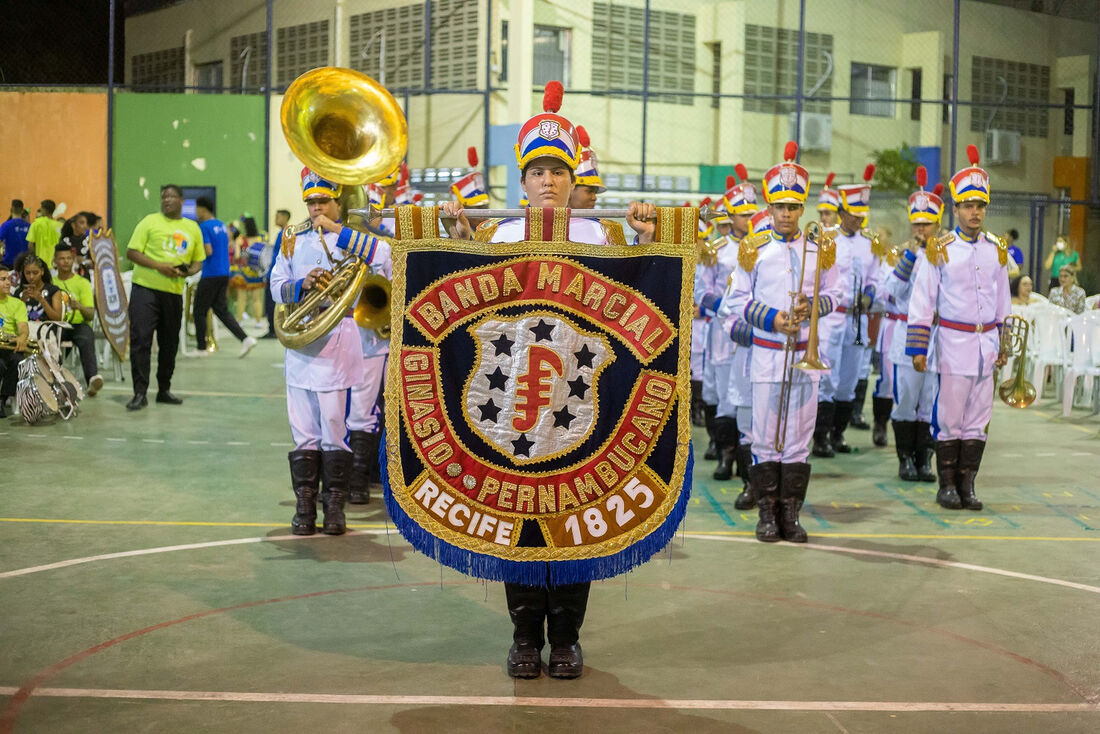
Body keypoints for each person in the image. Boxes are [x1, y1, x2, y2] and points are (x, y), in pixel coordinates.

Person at [440, 81, 657, 682]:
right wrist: (455, 236)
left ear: (570, 177)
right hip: (510, 409)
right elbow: (453, 299)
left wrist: (648, 237)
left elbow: (650, 291)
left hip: (583, 404)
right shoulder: (498, 237)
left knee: (573, 516)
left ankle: (565, 637)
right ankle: (522, 637)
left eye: (558, 170)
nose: (548, 182)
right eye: (537, 170)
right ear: (522, 178)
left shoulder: (603, 237)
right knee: (521, 524)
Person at [726, 141, 839, 543]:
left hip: (805, 359)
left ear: (802, 208)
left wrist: (814, 307)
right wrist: (774, 319)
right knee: (765, 437)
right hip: (768, 357)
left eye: (793, 207)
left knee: (798, 440)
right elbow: (735, 301)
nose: (787, 214)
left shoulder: (819, 249)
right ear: (769, 208)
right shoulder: (752, 251)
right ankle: (767, 515)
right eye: (780, 206)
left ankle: (791, 515)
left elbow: (836, 295)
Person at [270, 168, 385, 536]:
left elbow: (387, 259)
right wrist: (299, 286)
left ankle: (334, 507)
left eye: (323, 201)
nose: (316, 208)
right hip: (302, 346)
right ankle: (305, 508)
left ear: (338, 201)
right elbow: (275, 283)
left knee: (334, 428)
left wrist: (338, 231)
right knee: (303, 430)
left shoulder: (352, 237)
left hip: (337, 343)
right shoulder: (293, 237)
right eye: (311, 202)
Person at [907, 144, 1010, 511]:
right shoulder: (939, 248)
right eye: (968, 205)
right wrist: (918, 347)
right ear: (956, 208)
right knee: (950, 417)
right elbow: (922, 301)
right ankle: (946, 484)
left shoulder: (997, 249)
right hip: (952, 342)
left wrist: (1004, 345)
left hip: (986, 346)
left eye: (980, 205)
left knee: (979, 419)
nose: (975, 212)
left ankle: (968, 485)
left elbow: (1003, 304)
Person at [696, 166, 757, 481]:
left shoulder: (761, 247)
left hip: (753, 330)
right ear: (730, 216)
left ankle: (747, 463)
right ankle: (724, 456)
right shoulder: (716, 250)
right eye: (742, 214)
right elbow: (700, 288)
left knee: (746, 393)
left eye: (751, 213)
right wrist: (723, 310)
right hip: (723, 331)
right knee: (721, 393)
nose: (747, 219)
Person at [882, 171, 944, 483]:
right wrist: (910, 255)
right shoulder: (900, 254)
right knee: (905, 400)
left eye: (927, 224)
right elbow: (891, 290)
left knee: (930, 402)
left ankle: (925, 460)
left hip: (937, 338)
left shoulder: (946, 253)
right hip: (908, 336)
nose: (921, 229)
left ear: (937, 225)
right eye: (917, 224)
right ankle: (905, 459)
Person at [814, 165, 879, 457]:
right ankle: (820, 437)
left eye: (862, 214)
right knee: (827, 376)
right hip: (831, 317)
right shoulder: (826, 240)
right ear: (843, 212)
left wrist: (868, 296)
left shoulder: (870, 244)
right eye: (855, 214)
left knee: (850, 380)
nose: (859, 219)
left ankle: (838, 433)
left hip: (857, 319)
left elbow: (876, 278)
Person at [124, 184, 206, 411]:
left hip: (173, 292)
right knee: (141, 340)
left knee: (170, 343)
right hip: (145, 289)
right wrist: (159, 266)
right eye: (163, 197)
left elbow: (198, 260)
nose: (167, 200)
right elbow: (132, 252)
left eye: (171, 197)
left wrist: (188, 271)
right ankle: (140, 393)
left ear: (181, 200)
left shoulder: (192, 228)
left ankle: (164, 390)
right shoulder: (149, 222)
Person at [193, 198, 257, 357]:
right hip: (224, 272)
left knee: (199, 310)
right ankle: (245, 338)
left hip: (210, 273)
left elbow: (208, 251)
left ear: (202, 209)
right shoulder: (222, 225)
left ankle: (201, 348)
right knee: (221, 310)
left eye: (197, 209)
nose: (196, 212)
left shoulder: (204, 227)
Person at [53, 244, 103, 396]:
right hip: (56, 324)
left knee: (86, 337)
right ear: (55, 261)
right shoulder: (51, 283)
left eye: (69, 258)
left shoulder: (83, 283)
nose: (66, 262)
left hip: (78, 325)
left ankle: (92, 379)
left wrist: (79, 306)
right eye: (62, 259)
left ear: (73, 260)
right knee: (48, 338)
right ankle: (53, 380)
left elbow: (91, 314)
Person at [0, 263, 30, 418]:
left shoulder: (17, 304)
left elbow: (23, 327)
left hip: (9, 345)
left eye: (8, 279)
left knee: (18, 361)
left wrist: (22, 337)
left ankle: (3, 398)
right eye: (3, 279)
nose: (7, 283)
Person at [263, 208, 292, 339]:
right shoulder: (282, 233)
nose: (276, 218)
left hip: (275, 274)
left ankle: (273, 329)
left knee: (271, 303)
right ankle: (272, 328)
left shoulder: (285, 233)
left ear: (285, 218)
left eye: (278, 216)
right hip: (273, 272)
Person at [14, 256, 63, 322]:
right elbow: (12, 318)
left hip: (46, 330)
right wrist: (22, 301)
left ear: (42, 271)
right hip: (24, 330)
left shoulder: (53, 290)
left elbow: (58, 319)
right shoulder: (19, 292)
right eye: (28, 273)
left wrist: (41, 299)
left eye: (35, 273)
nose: (31, 277)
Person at [26, 199, 62, 269]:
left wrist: (35, 260)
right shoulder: (60, 226)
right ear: (53, 210)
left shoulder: (36, 224)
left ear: (43, 209)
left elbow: (30, 245)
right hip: (56, 265)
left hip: (40, 265)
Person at [1, 200, 30, 268]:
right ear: (22, 211)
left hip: (9, 263)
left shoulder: (5, 225)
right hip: (26, 263)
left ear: (11, 210)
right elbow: (31, 245)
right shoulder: (29, 226)